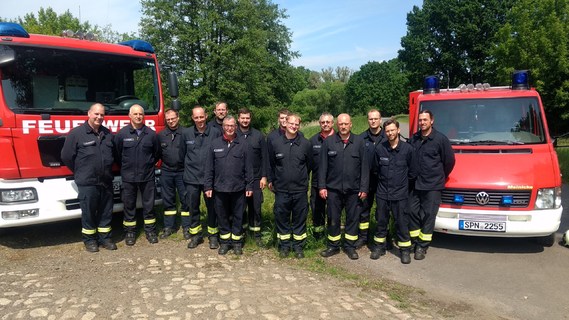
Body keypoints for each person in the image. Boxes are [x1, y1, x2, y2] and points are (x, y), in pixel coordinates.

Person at [61, 103, 117, 252]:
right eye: (96, 114)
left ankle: (105, 238)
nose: (99, 117)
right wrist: (80, 170)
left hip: (105, 181)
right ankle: (90, 240)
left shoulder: (107, 133)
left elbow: (114, 154)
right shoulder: (76, 133)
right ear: (89, 114)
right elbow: (66, 156)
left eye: (102, 115)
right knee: (89, 212)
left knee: (106, 211)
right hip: (87, 182)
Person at [318, 113, 369, 260]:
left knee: (352, 219)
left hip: (353, 190)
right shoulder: (329, 142)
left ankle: (349, 246)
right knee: (333, 218)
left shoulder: (359, 142)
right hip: (333, 189)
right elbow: (322, 167)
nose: (343, 126)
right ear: (337, 125)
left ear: (351, 124)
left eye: (346, 123)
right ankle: (333, 246)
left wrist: (364, 188)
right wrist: (322, 186)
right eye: (341, 124)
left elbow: (365, 168)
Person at [409, 110, 455, 260]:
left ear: (432, 121)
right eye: (420, 120)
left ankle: (422, 246)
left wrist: (439, 176)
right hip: (415, 184)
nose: (422, 123)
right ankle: (414, 241)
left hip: (433, 185)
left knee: (428, 215)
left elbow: (449, 161)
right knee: (411, 212)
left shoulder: (440, 139)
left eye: (425, 120)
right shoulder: (414, 139)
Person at [204, 116, 254, 255]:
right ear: (223, 127)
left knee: (238, 216)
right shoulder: (214, 144)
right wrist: (208, 187)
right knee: (222, 216)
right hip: (219, 189)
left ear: (236, 127)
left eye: (232, 126)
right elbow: (209, 168)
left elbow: (249, 168)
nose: (229, 128)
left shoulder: (243, 144)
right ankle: (225, 242)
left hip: (239, 188)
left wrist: (249, 186)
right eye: (227, 125)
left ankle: (237, 243)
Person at [268, 113, 312, 258]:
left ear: (299, 126)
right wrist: (272, 181)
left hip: (300, 189)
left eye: (296, 124)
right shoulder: (276, 143)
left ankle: (298, 247)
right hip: (281, 189)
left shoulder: (305, 144)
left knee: (300, 218)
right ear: (285, 123)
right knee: (282, 217)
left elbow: (309, 165)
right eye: (291, 123)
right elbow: (271, 165)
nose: (294, 126)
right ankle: (284, 246)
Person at [115, 104, 161, 245]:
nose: (138, 116)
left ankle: (150, 230)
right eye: (135, 114)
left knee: (149, 205)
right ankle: (130, 232)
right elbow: (117, 154)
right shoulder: (122, 134)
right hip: (128, 177)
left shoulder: (151, 134)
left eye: (140, 114)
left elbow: (157, 153)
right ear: (129, 116)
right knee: (129, 205)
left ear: (143, 116)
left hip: (147, 176)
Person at [371, 119, 414, 264]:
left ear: (398, 130)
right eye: (387, 131)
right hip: (383, 193)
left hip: (400, 195)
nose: (390, 133)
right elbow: (375, 170)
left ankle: (404, 251)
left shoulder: (408, 149)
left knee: (402, 223)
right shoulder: (380, 149)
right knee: (381, 222)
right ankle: (379, 247)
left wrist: (402, 185)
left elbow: (413, 172)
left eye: (392, 130)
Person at [179, 106, 221, 249]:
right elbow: (181, 155)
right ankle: (195, 235)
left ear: (206, 116)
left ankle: (213, 236)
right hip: (191, 178)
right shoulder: (186, 133)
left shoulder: (215, 132)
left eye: (201, 117)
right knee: (193, 208)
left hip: (210, 179)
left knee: (212, 208)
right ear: (192, 118)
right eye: (196, 117)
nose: (199, 120)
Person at [236, 108, 268, 245]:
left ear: (250, 119)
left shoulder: (258, 136)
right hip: (238, 178)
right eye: (242, 118)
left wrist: (264, 177)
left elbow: (265, 158)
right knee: (239, 207)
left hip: (255, 178)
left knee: (256, 207)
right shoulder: (232, 134)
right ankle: (241, 233)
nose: (245, 120)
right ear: (238, 119)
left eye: (247, 118)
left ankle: (256, 234)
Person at [356, 109, 386, 249]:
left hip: (383, 181)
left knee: (382, 211)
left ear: (380, 120)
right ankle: (363, 237)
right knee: (363, 210)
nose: (373, 121)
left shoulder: (388, 137)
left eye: (375, 118)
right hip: (366, 180)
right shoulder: (361, 139)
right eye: (370, 119)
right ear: (367, 120)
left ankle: (384, 237)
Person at [157, 108, 188, 238]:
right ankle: (169, 227)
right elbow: (157, 153)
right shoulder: (161, 135)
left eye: (173, 118)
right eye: (168, 119)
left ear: (178, 118)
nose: (170, 121)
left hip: (183, 172)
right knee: (168, 200)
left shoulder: (186, 133)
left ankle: (187, 227)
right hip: (167, 172)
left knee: (186, 200)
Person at [308, 112, 335, 239]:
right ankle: (318, 236)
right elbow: (307, 164)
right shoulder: (313, 141)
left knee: (333, 211)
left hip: (334, 183)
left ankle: (332, 234)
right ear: (319, 124)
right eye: (323, 122)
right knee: (317, 210)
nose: (325, 124)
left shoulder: (339, 139)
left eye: (327, 122)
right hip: (316, 183)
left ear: (332, 123)